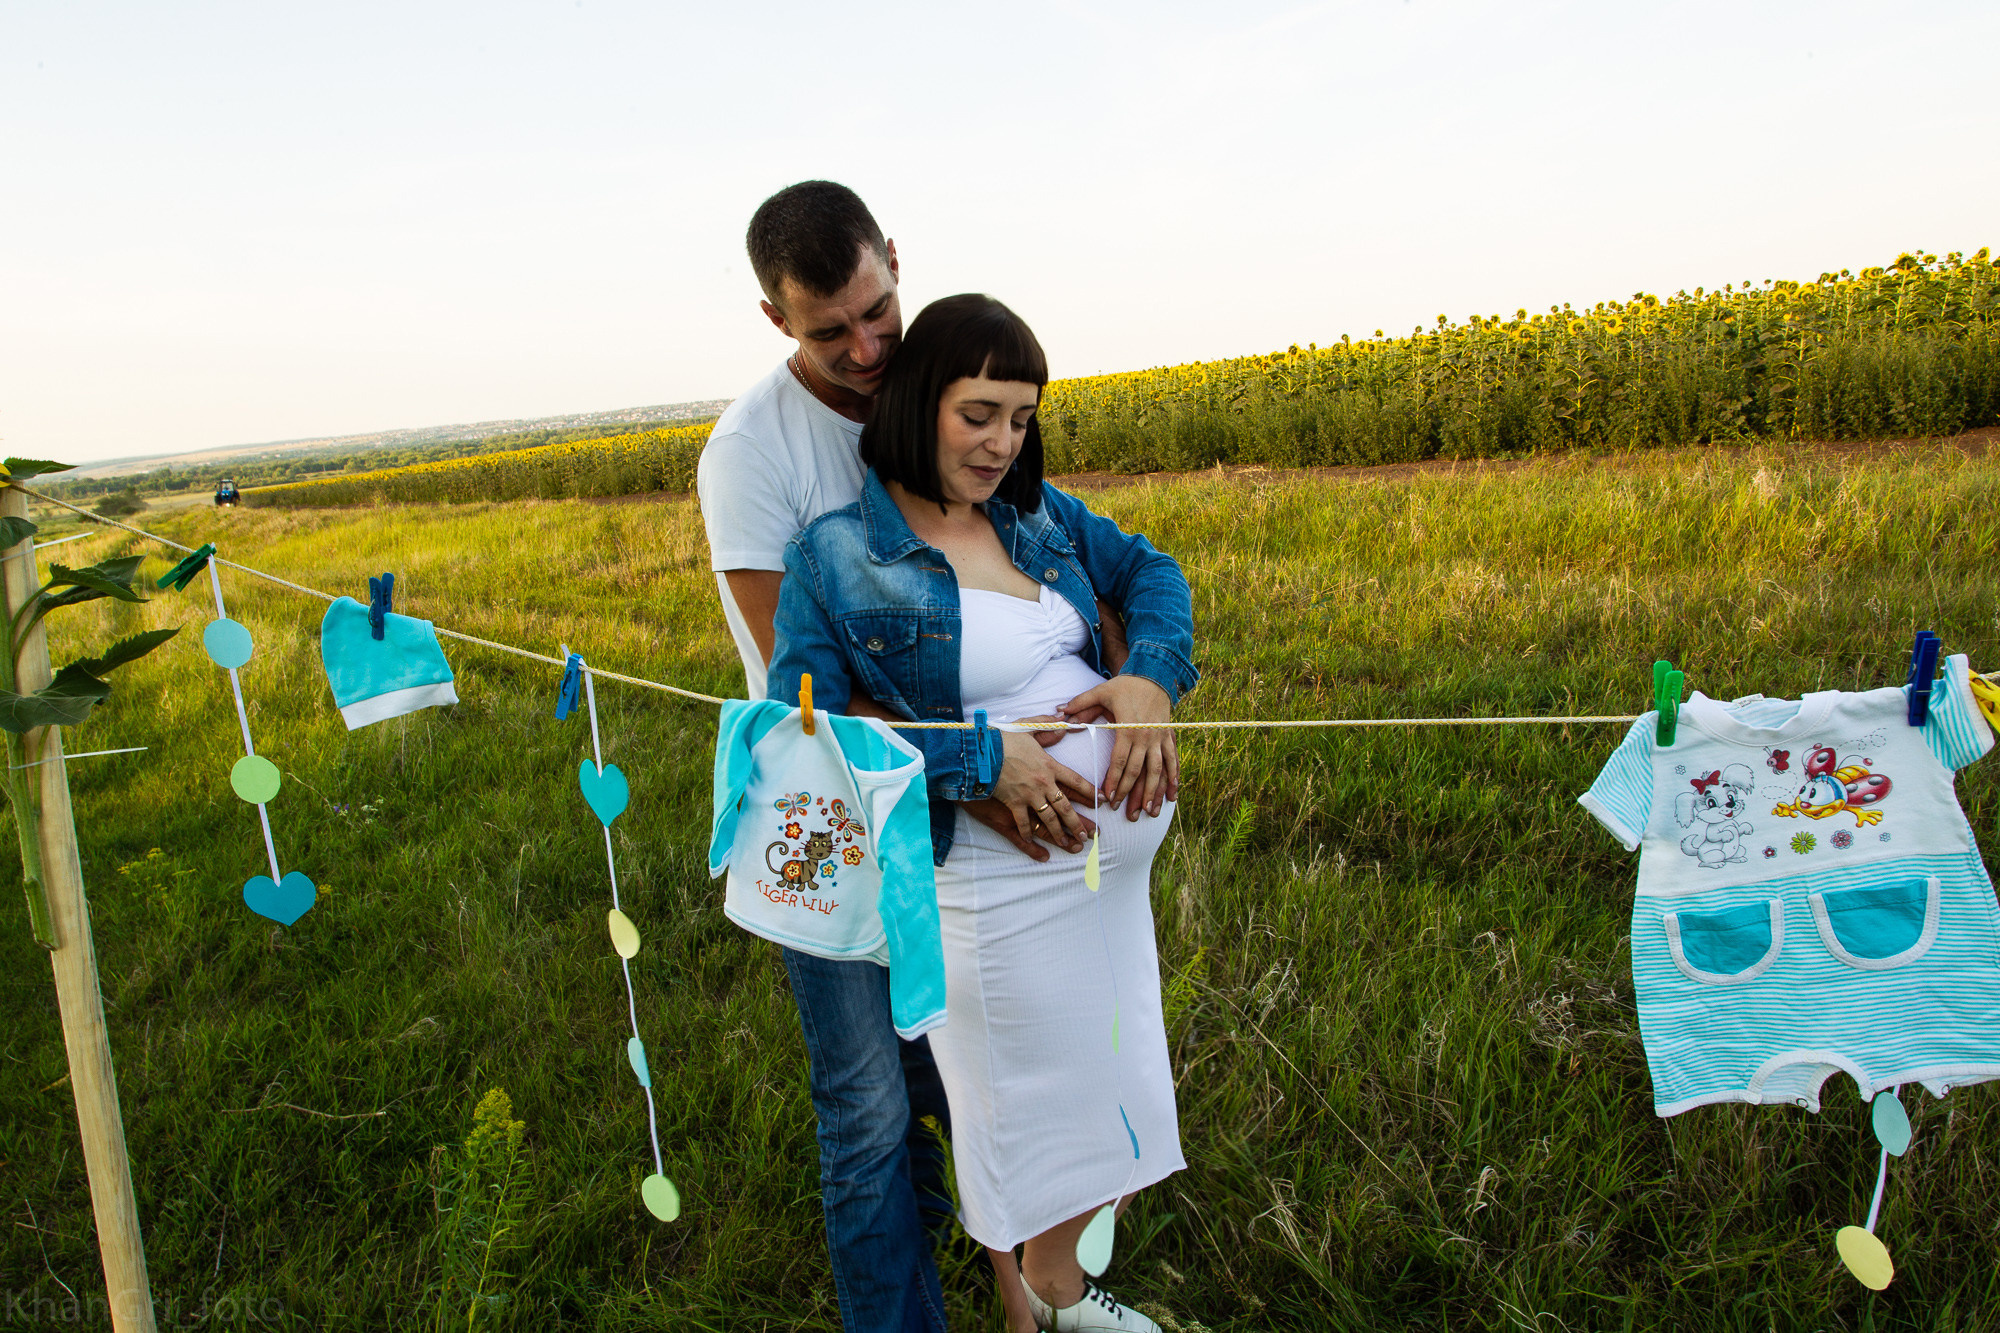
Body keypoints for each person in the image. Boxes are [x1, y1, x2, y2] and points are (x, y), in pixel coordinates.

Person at [697, 183, 1157, 1331]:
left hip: (1008, 842)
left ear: (895, 264)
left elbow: (1075, 565)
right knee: (869, 1102)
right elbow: (802, 684)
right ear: (773, 320)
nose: (861, 348)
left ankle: (1032, 1301)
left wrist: (1137, 671)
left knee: (975, 1079)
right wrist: (976, 762)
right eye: (826, 331)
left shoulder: (934, 390)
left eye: (875, 310)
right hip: (845, 812)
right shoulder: (754, 459)